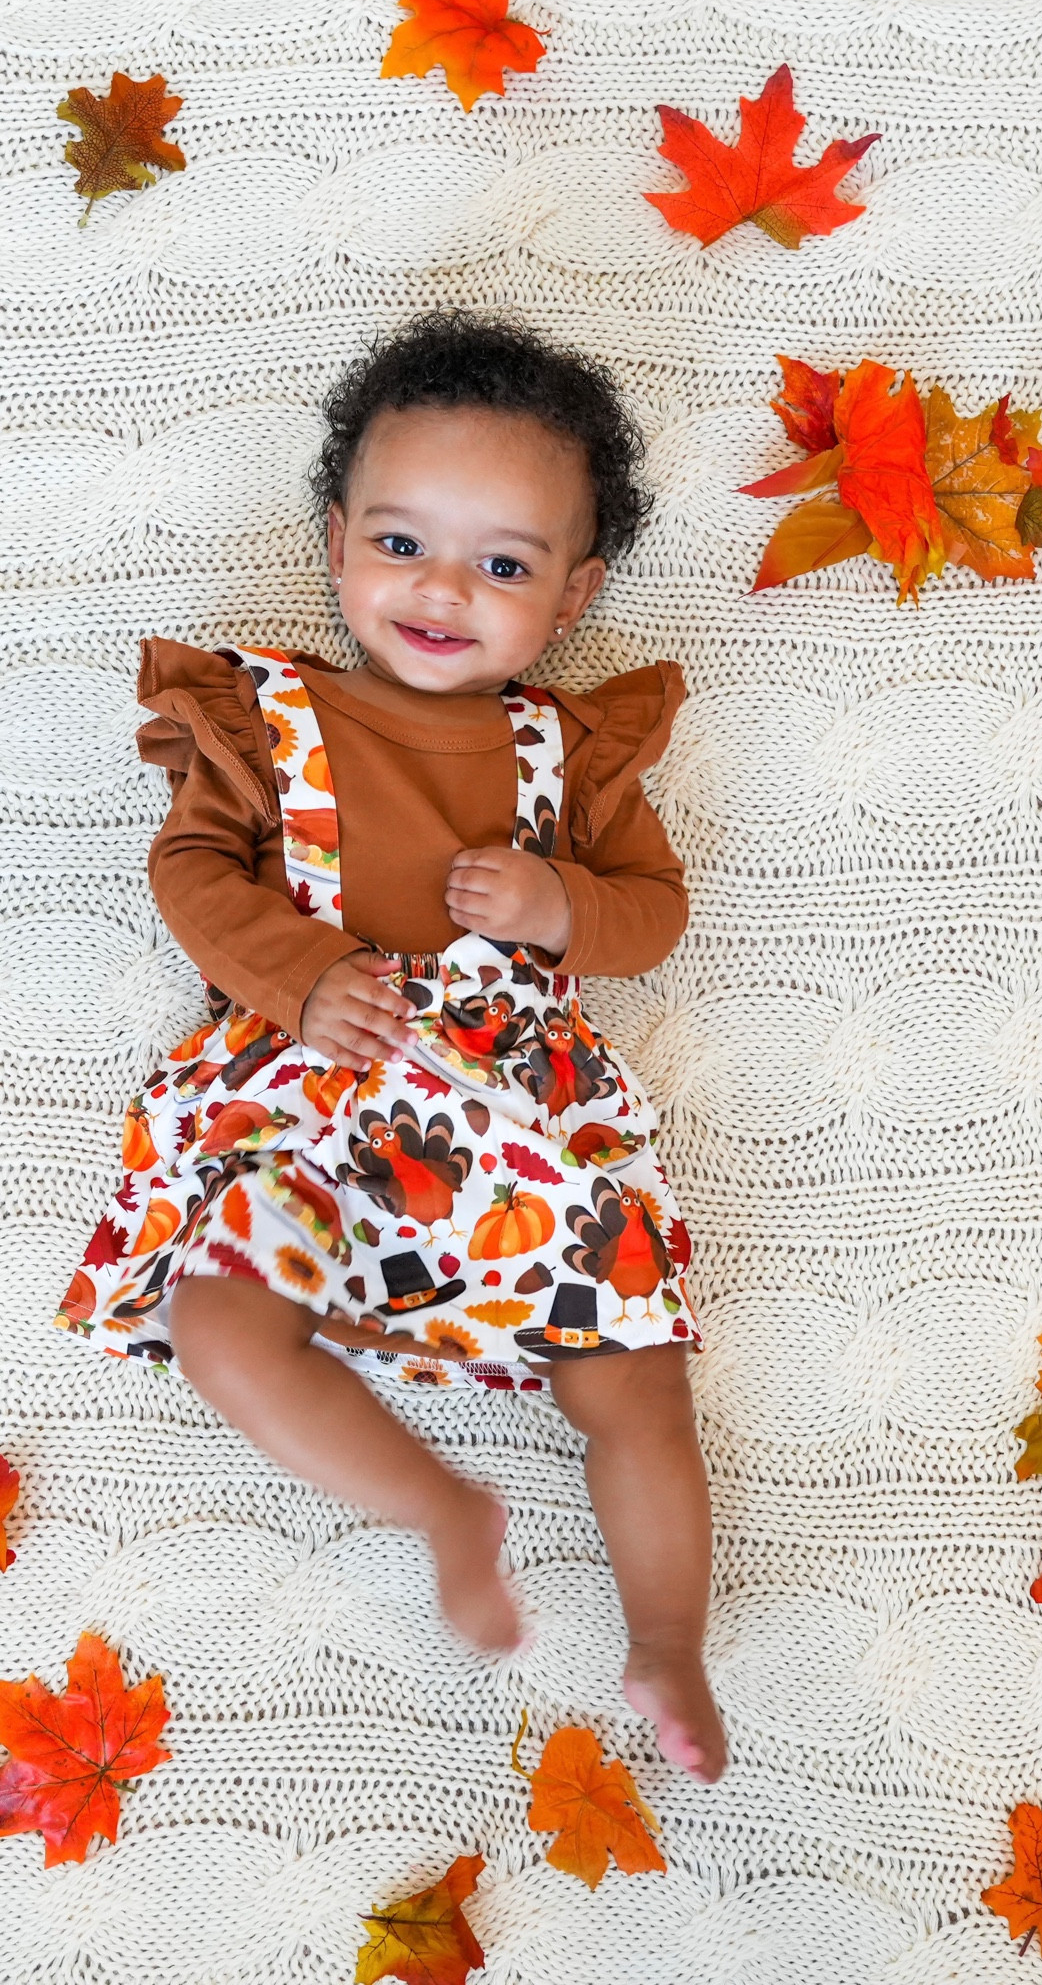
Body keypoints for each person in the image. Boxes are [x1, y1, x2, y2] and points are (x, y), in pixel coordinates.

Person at [57, 311, 726, 1782]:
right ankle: (442, 1511)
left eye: (505, 567)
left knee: (636, 1379)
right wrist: (299, 977)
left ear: (575, 594)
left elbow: (656, 910)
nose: (443, 590)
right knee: (222, 1319)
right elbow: (195, 871)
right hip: (319, 1095)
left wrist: (562, 905)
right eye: (402, 542)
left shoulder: (569, 755)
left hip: (520, 1130)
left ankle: (669, 1634)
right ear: (338, 541)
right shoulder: (267, 716)